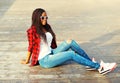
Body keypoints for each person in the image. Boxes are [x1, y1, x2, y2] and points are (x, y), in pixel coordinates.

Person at [21, 8, 117, 75]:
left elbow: (52, 44)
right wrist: (27, 60)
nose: (45, 19)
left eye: (46, 17)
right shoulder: (32, 31)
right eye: (42, 17)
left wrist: (57, 51)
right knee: (71, 54)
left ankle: (89, 63)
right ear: (37, 18)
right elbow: (30, 46)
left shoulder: (47, 27)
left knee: (70, 41)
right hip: (45, 60)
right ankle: (100, 67)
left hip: (51, 52)